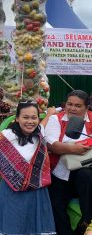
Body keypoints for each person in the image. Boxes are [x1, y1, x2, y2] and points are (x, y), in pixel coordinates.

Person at [0, 101, 56, 235]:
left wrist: (49, 115)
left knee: (34, 226)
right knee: (13, 225)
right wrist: (7, 160)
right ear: (17, 118)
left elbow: (42, 125)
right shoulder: (10, 134)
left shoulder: (38, 133)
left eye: (34, 117)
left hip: (36, 190)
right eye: (25, 117)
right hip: (13, 190)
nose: (30, 121)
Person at [45, 90, 92, 235]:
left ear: (86, 107)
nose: (72, 108)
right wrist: (74, 149)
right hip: (60, 172)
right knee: (56, 205)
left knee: (86, 175)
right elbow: (51, 144)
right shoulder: (56, 119)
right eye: (69, 104)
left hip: (85, 171)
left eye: (78, 106)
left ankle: (85, 223)